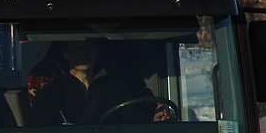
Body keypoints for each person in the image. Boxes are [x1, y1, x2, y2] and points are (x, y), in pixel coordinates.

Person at [27, 39, 172, 124]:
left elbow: (136, 125)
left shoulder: (117, 87)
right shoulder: (51, 94)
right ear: (66, 54)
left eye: (88, 48)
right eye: (78, 48)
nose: (84, 53)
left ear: (96, 54)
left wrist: (154, 119)